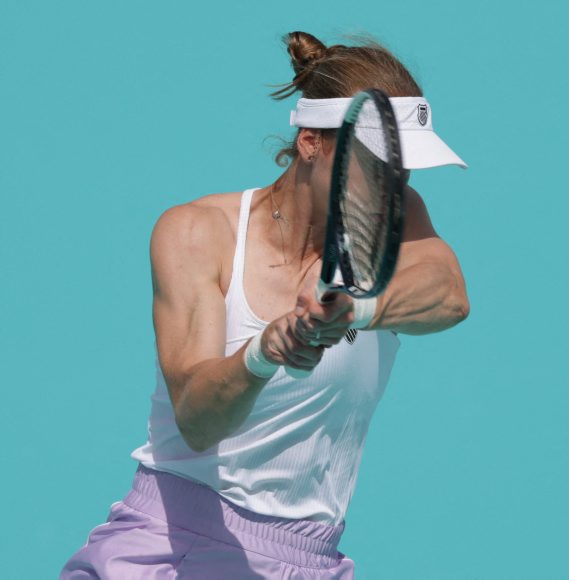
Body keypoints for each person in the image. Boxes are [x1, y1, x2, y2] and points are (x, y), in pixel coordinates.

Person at [61, 30, 469, 579]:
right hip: (166, 551)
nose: (393, 184)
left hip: (308, 562)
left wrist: (355, 308)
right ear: (311, 143)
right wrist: (263, 352)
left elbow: (448, 294)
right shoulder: (196, 232)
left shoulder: (398, 216)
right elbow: (198, 421)